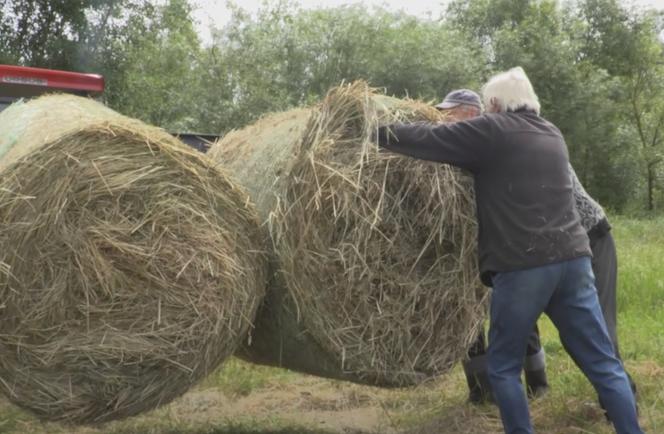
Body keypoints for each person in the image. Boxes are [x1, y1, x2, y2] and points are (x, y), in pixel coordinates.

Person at [376, 67, 642, 434]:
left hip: (524, 266)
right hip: (574, 261)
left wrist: (373, 131)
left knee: (502, 367)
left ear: (496, 103)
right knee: (603, 363)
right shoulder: (552, 133)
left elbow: (428, 138)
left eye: (488, 105)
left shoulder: (492, 130)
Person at [435, 90, 638, 407]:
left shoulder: (500, 139)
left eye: (451, 113)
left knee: (594, 331)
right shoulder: (479, 144)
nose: (443, 120)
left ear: (472, 114)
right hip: (544, 247)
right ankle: (515, 390)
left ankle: (623, 403)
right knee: (523, 316)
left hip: (588, 238)